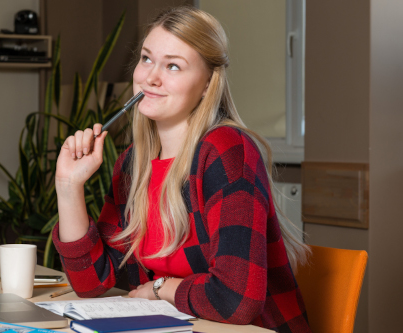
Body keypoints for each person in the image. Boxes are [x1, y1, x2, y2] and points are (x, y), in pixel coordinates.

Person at [53, 6, 311, 332]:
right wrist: (68, 186)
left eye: (173, 66)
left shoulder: (227, 151)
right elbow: (90, 283)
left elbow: (237, 300)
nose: (150, 77)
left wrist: (162, 289)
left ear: (206, 85)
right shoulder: (133, 164)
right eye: (146, 59)